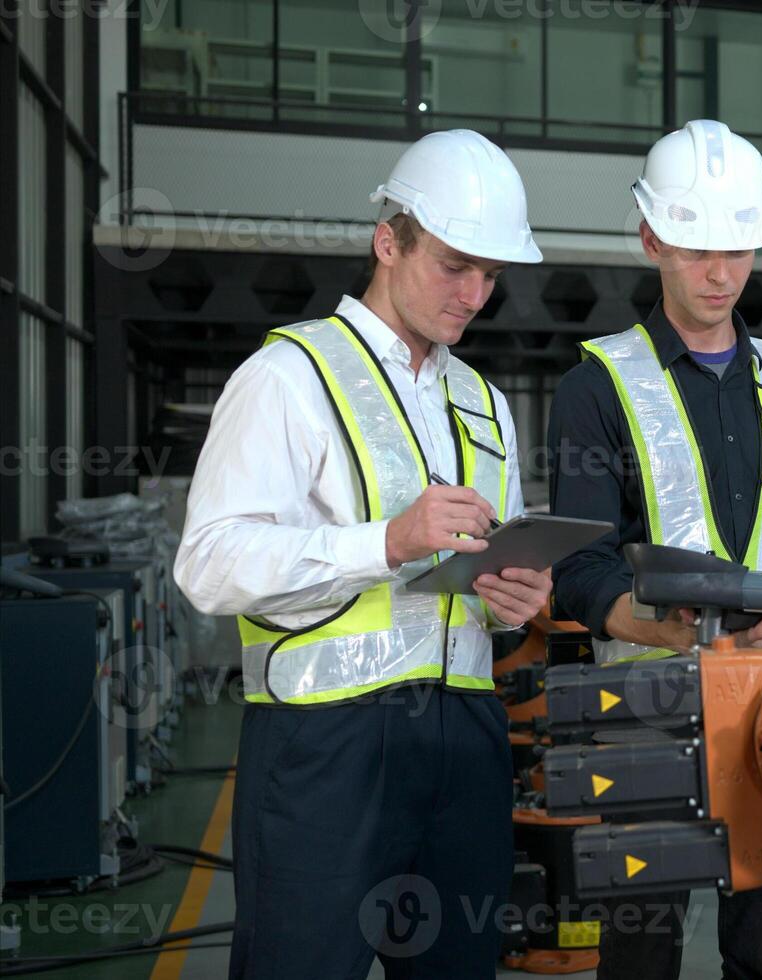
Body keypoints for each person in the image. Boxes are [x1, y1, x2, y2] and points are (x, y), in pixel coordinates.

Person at [174, 129, 552, 978]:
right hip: (326, 749)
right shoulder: (289, 377)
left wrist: (512, 596)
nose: (474, 294)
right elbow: (207, 564)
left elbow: (487, 580)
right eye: (455, 265)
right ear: (389, 241)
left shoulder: (486, 402)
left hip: (467, 739)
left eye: (491, 275)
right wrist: (386, 541)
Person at [546, 119, 762, 979]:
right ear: (650, 238)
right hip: (647, 706)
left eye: (739, 250)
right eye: (694, 250)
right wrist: (687, 635)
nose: (720, 275)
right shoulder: (595, 386)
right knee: (641, 954)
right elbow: (581, 572)